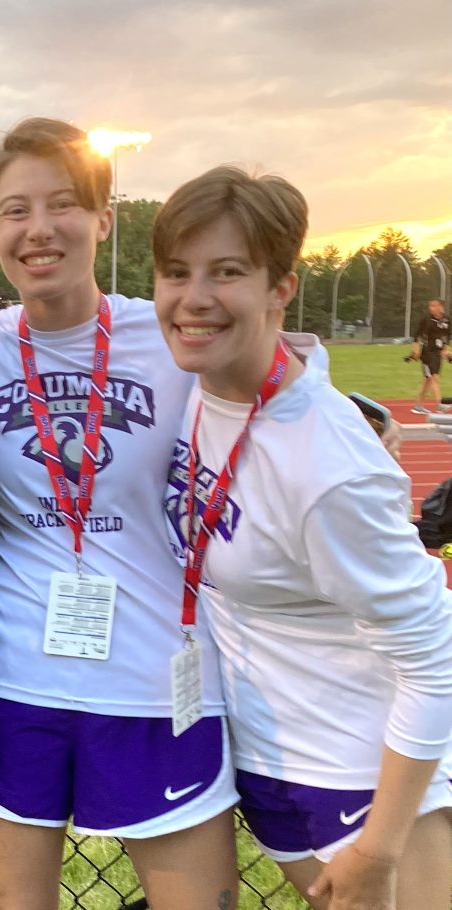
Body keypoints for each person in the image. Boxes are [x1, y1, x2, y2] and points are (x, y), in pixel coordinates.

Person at [0, 117, 240, 910]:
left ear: (104, 219)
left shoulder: (170, 335)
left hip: (154, 676)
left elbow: (275, 397)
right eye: (14, 210)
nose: (39, 229)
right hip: (13, 678)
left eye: (64, 203)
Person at [153, 165, 452, 910]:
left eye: (226, 273)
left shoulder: (326, 466)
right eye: (174, 272)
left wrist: (378, 849)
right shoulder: (191, 379)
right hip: (263, 764)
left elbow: (433, 657)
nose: (192, 298)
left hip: (364, 780)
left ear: (279, 286)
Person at [410, 299, 450, 414]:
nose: (431, 308)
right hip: (427, 352)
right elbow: (417, 335)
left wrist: (446, 349)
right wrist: (416, 350)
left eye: (434, 306)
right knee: (434, 378)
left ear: (441, 307)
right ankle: (440, 404)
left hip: (437, 353)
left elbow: (448, 335)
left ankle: (417, 406)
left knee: (427, 380)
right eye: (430, 306)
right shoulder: (426, 319)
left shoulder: (447, 320)